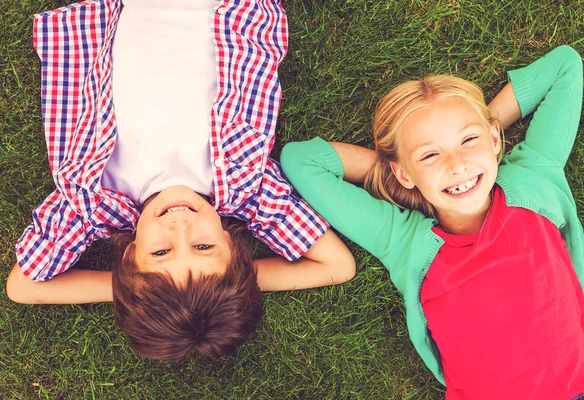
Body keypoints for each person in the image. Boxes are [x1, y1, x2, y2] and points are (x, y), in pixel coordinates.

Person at [6, 0, 355, 361]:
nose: (180, 227)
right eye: (204, 247)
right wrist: (232, 283)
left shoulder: (93, 200)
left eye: (160, 252)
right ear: (232, 248)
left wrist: (134, 290)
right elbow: (337, 266)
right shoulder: (246, 187)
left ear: (129, 259)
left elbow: (23, 286)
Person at [280, 45, 584, 399]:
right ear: (402, 172)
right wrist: (403, 175)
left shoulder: (532, 181)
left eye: (468, 140)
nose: (457, 164)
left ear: (495, 138)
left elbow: (564, 65)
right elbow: (300, 160)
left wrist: (478, 127)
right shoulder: (403, 241)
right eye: (431, 154)